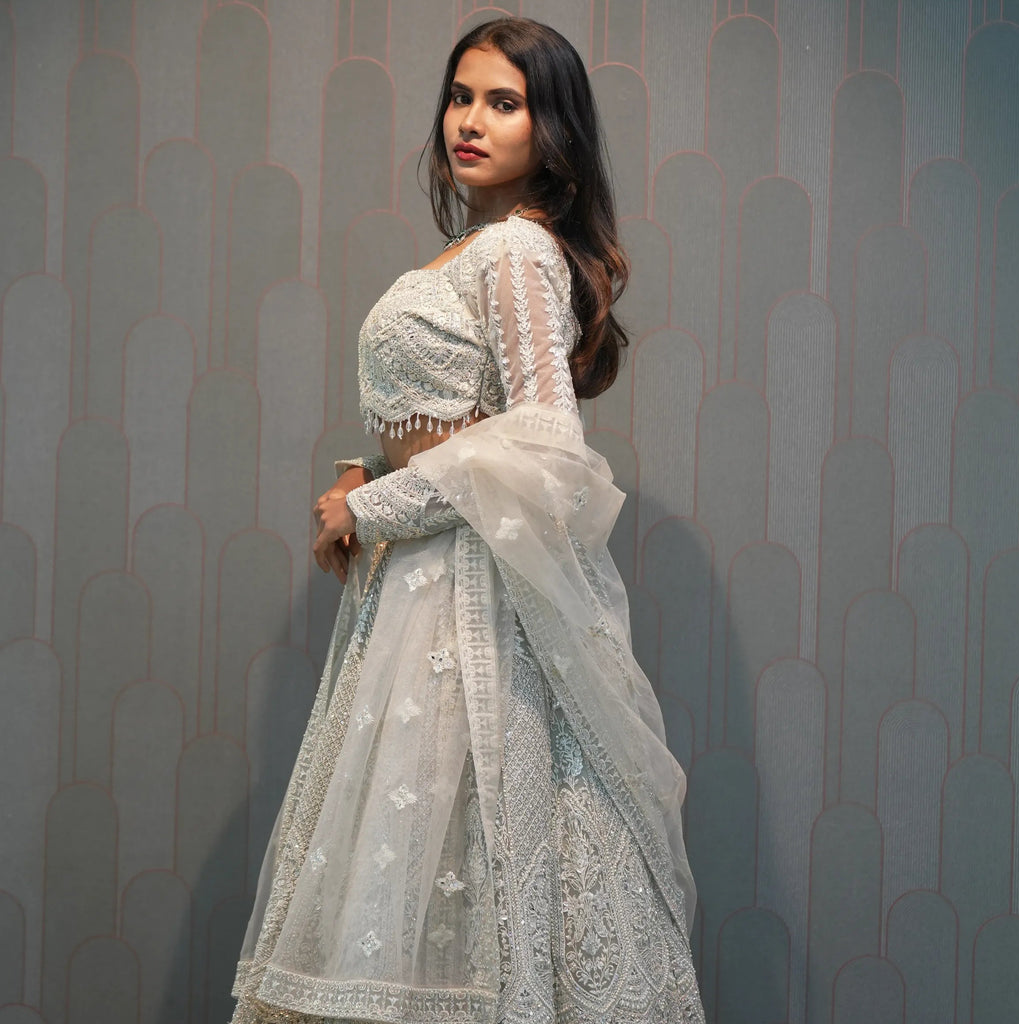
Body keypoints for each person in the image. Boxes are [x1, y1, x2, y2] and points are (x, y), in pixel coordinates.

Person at [230, 16, 705, 1024]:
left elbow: (541, 446)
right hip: (422, 600)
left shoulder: (516, 252)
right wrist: (372, 466)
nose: (471, 121)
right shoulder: (478, 251)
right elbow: (461, 424)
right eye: (460, 96)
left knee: (476, 880)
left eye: (504, 102)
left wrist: (372, 502)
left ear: (552, 128)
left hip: (468, 608)